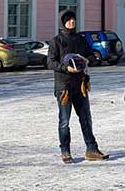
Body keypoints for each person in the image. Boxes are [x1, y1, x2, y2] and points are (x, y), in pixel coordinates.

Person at [47, 10, 109, 163]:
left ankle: (92, 149)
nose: (72, 22)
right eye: (68, 20)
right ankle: (65, 151)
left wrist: (86, 60)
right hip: (64, 87)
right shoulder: (56, 41)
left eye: (73, 19)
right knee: (64, 121)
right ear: (62, 23)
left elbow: (92, 56)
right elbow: (50, 62)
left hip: (80, 85)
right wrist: (66, 68)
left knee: (86, 118)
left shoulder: (81, 39)